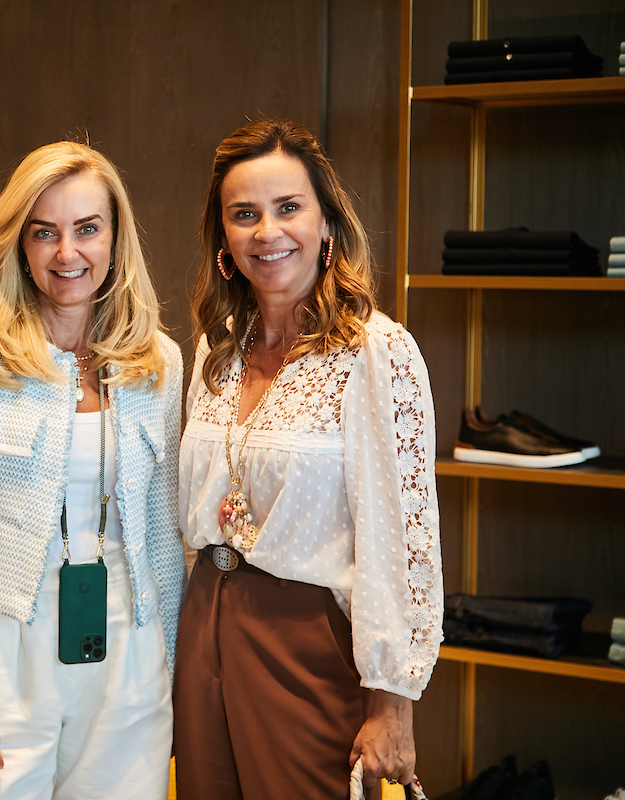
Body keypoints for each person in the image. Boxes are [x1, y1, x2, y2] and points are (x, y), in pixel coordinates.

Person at [174, 118, 443, 799]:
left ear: (327, 227)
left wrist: (391, 704)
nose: (268, 231)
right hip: (203, 625)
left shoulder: (375, 353)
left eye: (288, 207)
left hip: (304, 642)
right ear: (223, 242)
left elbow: (402, 537)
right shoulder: (215, 351)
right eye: (245, 215)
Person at [0, 141, 185, 800]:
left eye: (87, 229)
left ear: (116, 240)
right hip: (7, 643)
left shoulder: (161, 362)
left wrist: (170, 665)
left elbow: (165, 526)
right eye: (45, 233)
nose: (68, 253)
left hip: (129, 646)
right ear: (19, 245)